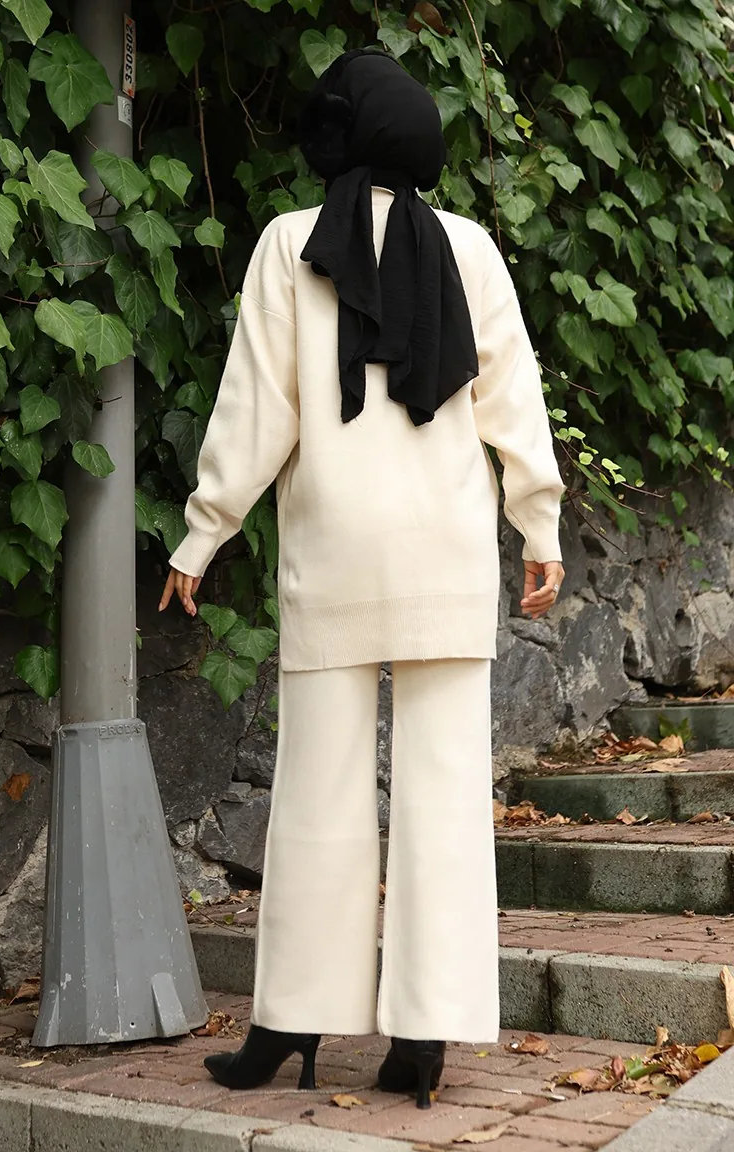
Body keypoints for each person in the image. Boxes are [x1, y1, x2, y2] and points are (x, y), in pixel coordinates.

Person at [159, 49, 565, 1110]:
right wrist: (539, 524)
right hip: (443, 554)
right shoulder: (470, 247)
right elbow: (511, 397)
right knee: (443, 799)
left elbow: (256, 407)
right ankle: (423, 1039)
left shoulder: (289, 242)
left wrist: (203, 534)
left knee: (316, 798)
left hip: (335, 555)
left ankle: (289, 1021)